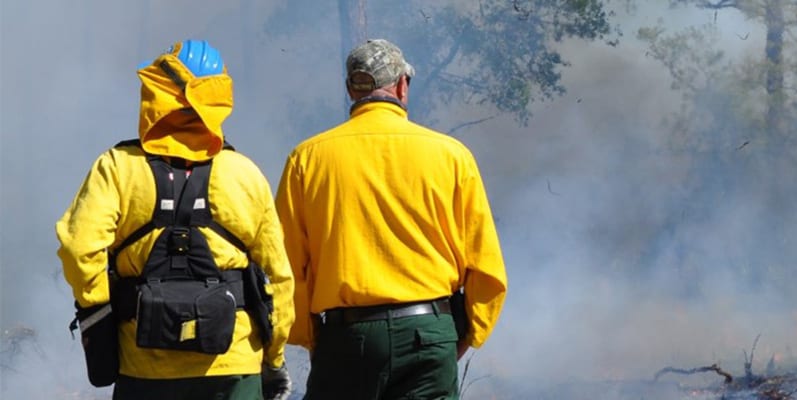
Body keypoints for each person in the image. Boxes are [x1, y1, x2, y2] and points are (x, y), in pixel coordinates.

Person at [56, 40, 295, 400]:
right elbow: (277, 280)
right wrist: (274, 360)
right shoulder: (244, 174)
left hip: (144, 368)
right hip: (233, 368)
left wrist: (102, 316)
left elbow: (79, 250)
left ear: (161, 95)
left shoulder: (117, 167)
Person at [276, 39, 508, 400]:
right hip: (429, 333)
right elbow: (486, 267)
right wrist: (459, 335)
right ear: (402, 85)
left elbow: (287, 267)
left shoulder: (307, 159)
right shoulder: (451, 156)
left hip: (347, 337)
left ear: (351, 88)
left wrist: (311, 336)